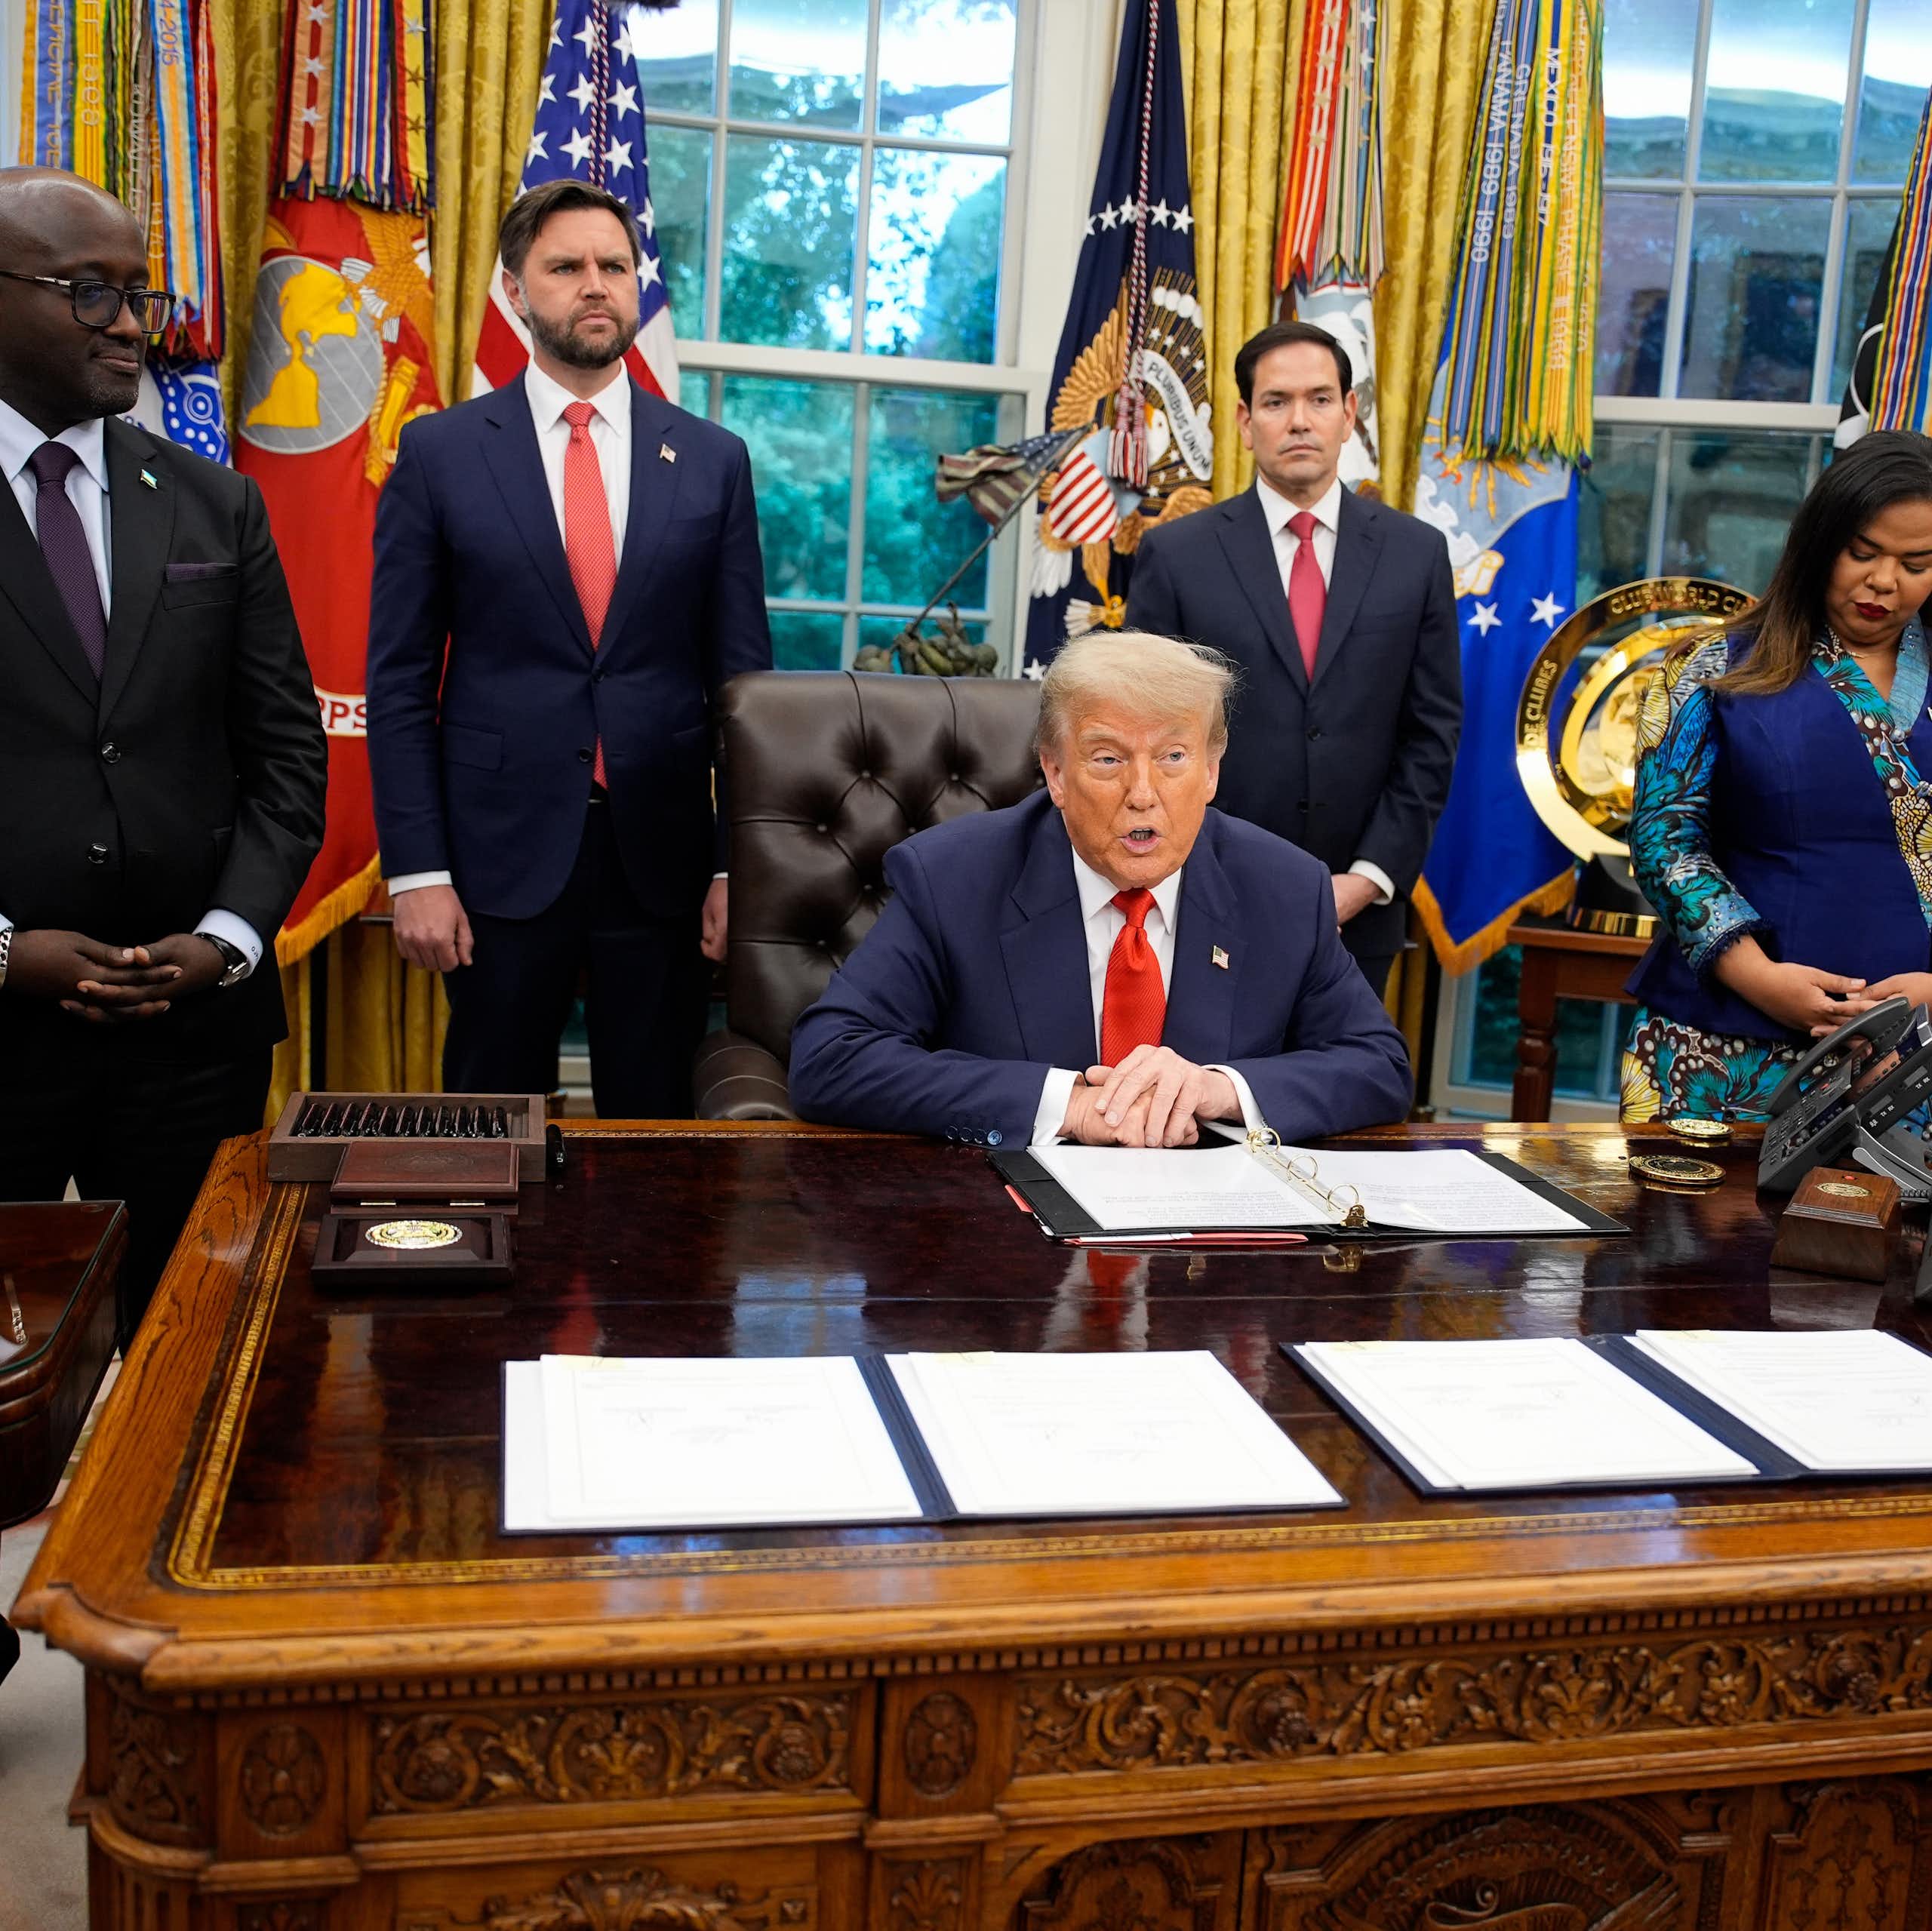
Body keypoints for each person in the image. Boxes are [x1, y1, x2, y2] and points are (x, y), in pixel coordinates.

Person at [0, 168, 326, 1345]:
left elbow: (287, 760)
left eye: (140, 292)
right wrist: (6, 953)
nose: (133, 322)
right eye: (91, 293)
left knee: (195, 1357)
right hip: (7, 1037)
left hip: (194, 1040)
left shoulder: (215, 506)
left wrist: (226, 942)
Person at [367, 180, 771, 1117]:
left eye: (614, 266)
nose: (595, 285)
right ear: (516, 291)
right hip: (493, 865)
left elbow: (743, 690)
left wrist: (731, 866)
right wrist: (418, 873)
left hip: (661, 866)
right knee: (486, 1131)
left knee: (658, 1136)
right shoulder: (442, 453)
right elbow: (397, 683)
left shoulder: (713, 458)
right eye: (566, 267)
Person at [789, 631, 1413, 1145]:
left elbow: (1379, 1066)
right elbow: (831, 1058)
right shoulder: (954, 878)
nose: (1143, 793)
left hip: (1207, 1266)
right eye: (1109, 759)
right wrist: (1069, 1106)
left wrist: (1216, 1088)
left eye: (1173, 757)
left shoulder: (1282, 888)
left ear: (1212, 769)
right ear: (1055, 773)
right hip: (1006, 1256)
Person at [1124, 319, 1461, 998]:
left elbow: (1432, 734)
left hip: (1360, 914)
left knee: (1343, 1102)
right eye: (1277, 402)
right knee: (1204, 1099)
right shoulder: (1178, 557)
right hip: (1203, 902)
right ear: (1246, 422)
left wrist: (1366, 880)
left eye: (1320, 399)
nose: (1299, 420)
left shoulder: (1416, 555)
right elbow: (1146, 735)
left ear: (1350, 415)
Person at [1623, 430, 1932, 1121]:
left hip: (1917, 1056)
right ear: (1818, 540)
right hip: (1722, 1043)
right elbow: (1665, 843)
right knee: (1691, 1233)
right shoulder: (1710, 668)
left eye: (1917, 563)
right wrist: (1760, 977)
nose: (1884, 581)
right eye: (1863, 552)